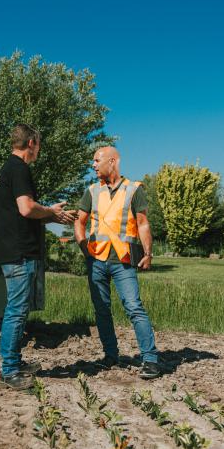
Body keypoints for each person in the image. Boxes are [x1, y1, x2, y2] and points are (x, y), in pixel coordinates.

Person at [0, 124, 76, 389]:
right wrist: (51, 212)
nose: (39, 150)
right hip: (19, 253)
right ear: (31, 143)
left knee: (17, 310)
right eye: (38, 144)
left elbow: (23, 211)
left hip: (13, 250)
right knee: (16, 311)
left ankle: (14, 363)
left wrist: (51, 214)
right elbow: (27, 208)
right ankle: (9, 370)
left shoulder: (8, 168)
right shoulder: (19, 169)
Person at [74, 146, 162, 379]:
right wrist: (84, 246)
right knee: (102, 310)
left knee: (134, 307)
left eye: (96, 160)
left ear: (112, 161)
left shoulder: (134, 190)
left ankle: (150, 360)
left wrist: (148, 252)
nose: (93, 165)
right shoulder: (91, 191)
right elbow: (79, 222)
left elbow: (143, 224)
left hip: (123, 261)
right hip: (96, 261)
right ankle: (111, 356)